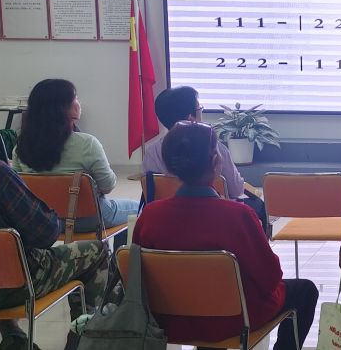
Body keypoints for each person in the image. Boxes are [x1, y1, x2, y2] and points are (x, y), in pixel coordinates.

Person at [132, 122, 318, 350]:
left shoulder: (150, 216)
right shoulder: (238, 216)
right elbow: (270, 278)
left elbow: (138, 279)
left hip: (170, 321)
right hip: (232, 321)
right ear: (215, 162)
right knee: (305, 292)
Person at [0, 90, 109, 350]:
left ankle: (14, 337)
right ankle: (83, 340)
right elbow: (45, 234)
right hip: (12, 284)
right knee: (96, 251)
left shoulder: (13, 156)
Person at [11, 79, 138, 241]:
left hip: (42, 220)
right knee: (141, 206)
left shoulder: (21, 147)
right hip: (89, 220)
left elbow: (19, 189)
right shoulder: (87, 144)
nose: (79, 103)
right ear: (62, 108)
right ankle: (120, 257)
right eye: (76, 98)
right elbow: (108, 186)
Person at [143, 86, 269, 234]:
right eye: (199, 108)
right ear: (190, 118)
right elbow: (235, 189)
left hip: (169, 219)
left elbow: (151, 193)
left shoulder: (151, 152)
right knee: (259, 206)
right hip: (216, 218)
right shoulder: (213, 147)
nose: (201, 112)